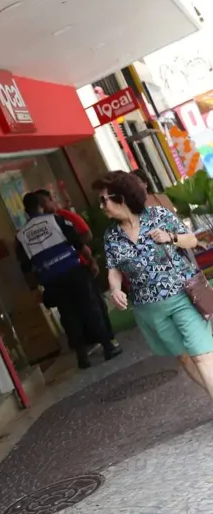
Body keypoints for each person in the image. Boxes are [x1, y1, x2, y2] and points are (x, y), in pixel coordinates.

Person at [95, 171, 213, 399]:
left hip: (182, 295)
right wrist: (116, 289)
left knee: (202, 356)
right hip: (149, 308)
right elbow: (114, 269)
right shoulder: (111, 236)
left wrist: (171, 237)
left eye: (104, 200)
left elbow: (191, 240)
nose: (101, 206)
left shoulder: (158, 215)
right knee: (184, 357)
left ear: (121, 197)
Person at [15, 193, 122, 369]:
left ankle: (82, 358)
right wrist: (91, 261)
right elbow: (78, 244)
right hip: (74, 272)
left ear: (26, 211)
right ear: (40, 206)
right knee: (90, 308)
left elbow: (26, 268)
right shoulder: (55, 220)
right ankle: (108, 347)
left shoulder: (21, 236)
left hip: (52, 280)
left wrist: (34, 289)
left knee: (68, 316)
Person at [35, 189, 118, 348]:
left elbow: (87, 234)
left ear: (51, 200)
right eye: (39, 205)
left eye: (44, 203)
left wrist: (73, 248)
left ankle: (108, 338)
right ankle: (90, 341)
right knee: (73, 311)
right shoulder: (41, 226)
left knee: (94, 305)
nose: (43, 208)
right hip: (60, 274)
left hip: (80, 265)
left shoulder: (64, 216)